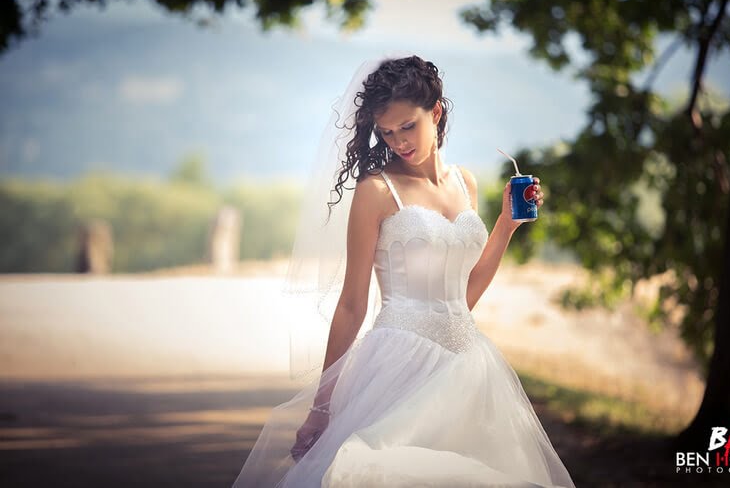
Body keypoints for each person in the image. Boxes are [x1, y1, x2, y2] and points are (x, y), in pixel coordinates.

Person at [232, 54, 576, 487]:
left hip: (468, 366)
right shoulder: (377, 191)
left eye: (407, 127)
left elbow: (463, 297)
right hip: (399, 362)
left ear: (436, 112)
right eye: (388, 132)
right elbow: (353, 303)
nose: (398, 142)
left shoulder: (465, 183)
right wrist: (322, 407)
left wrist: (507, 224)